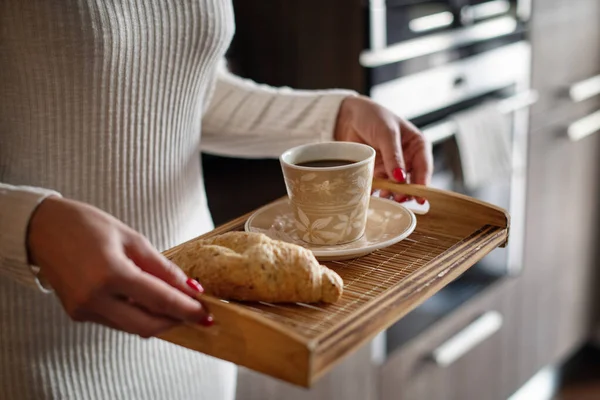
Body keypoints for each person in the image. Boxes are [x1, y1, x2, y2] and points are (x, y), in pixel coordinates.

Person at [0, 1, 433, 399]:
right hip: (43, 346)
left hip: (202, 325)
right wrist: (29, 226)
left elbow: (185, 90)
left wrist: (336, 114)